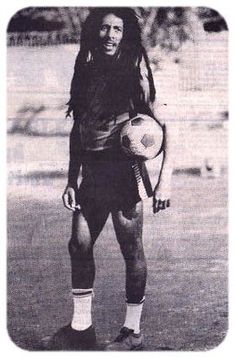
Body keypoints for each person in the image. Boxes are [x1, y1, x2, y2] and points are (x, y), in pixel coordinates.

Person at [52, 7, 172, 351]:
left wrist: (166, 180)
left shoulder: (136, 72)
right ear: (94, 31)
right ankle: (81, 329)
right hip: (92, 171)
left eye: (117, 29)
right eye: (104, 28)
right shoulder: (85, 70)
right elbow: (79, 128)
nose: (110, 35)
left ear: (126, 34)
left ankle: (132, 332)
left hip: (123, 170)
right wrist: (71, 179)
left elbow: (165, 126)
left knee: (130, 248)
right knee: (79, 243)